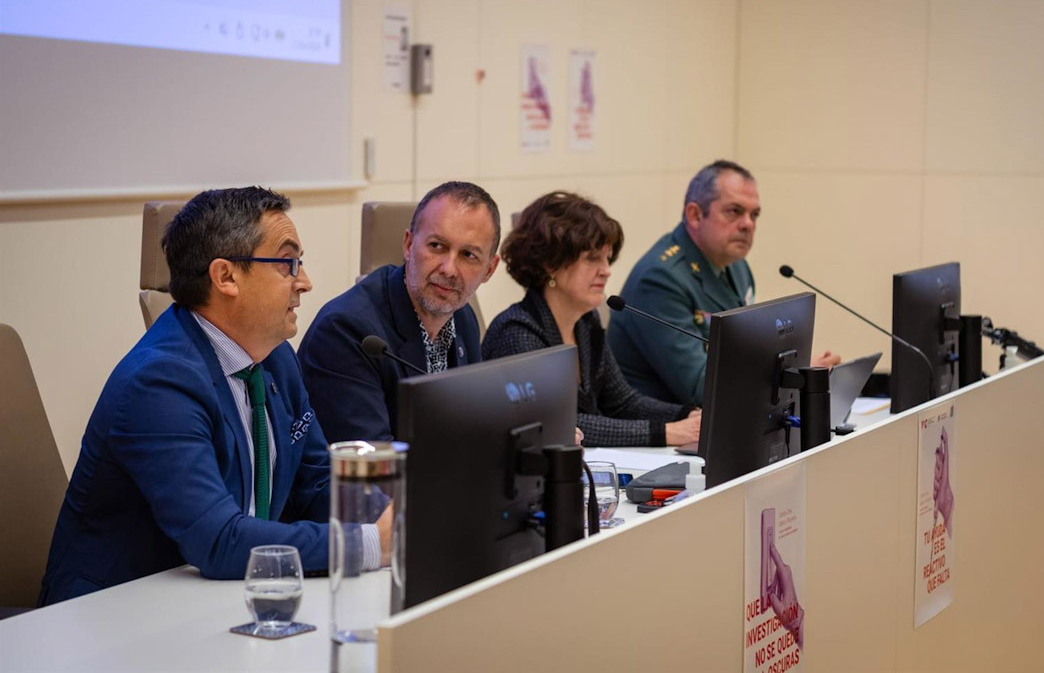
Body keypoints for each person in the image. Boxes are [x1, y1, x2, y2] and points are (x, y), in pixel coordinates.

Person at [39, 187, 390, 605]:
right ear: (225, 277)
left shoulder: (275, 357)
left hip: (219, 595)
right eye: (287, 263)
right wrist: (368, 544)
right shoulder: (159, 383)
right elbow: (218, 540)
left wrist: (393, 518)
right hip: (115, 614)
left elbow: (314, 482)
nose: (305, 282)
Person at [608, 160, 840, 406]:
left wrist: (795, 368)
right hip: (667, 421)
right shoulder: (659, 279)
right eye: (734, 211)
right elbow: (702, 387)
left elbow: (747, 350)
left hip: (723, 414)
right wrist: (791, 375)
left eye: (754, 214)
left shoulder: (736, 265)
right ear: (695, 215)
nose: (748, 224)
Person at [482, 192, 700, 447]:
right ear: (551, 263)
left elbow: (623, 403)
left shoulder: (586, 323)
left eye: (608, 258)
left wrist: (688, 415)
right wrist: (666, 432)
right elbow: (557, 424)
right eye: (593, 258)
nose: (606, 270)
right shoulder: (517, 332)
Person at [299, 181, 500, 443]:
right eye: (437, 246)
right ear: (408, 244)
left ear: (489, 270)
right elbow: (374, 459)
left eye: (468, 255)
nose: (449, 269)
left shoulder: (463, 318)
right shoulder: (346, 331)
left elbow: (470, 430)